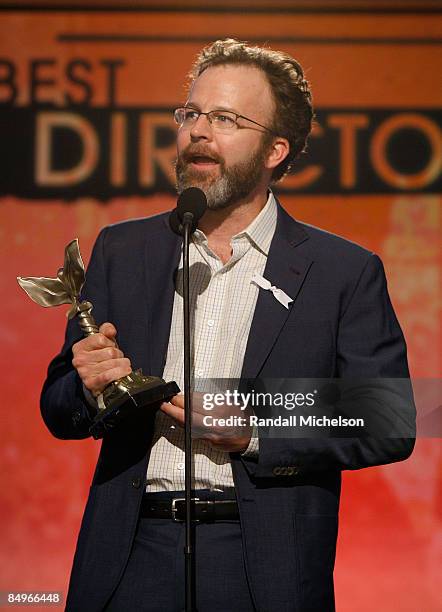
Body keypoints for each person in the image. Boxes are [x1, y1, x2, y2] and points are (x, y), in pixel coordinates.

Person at [40, 39, 415, 612]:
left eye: (225, 118)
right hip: (130, 555)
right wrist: (90, 389)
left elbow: (389, 418)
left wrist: (255, 428)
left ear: (274, 150)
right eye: (190, 113)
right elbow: (58, 406)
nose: (198, 131)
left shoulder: (343, 270)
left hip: (261, 561)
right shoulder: (123, 249)